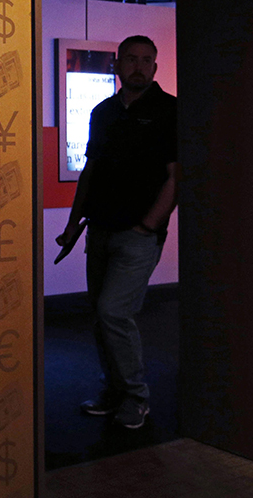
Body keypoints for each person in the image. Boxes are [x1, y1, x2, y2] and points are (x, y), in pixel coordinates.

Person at [56, 35, 178, 430]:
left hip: (137, 234)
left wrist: (149, 225)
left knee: (113, 311)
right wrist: (73, 224)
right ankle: (113, 390)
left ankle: (136, 397)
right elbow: (90, 171)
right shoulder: (103, 112)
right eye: (131, 59)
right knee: (100, 315)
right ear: (117, 64)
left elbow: (177, 176)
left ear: (155, 67)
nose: (138, 66)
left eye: (146, 60)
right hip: (100, 229)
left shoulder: (170, 111)